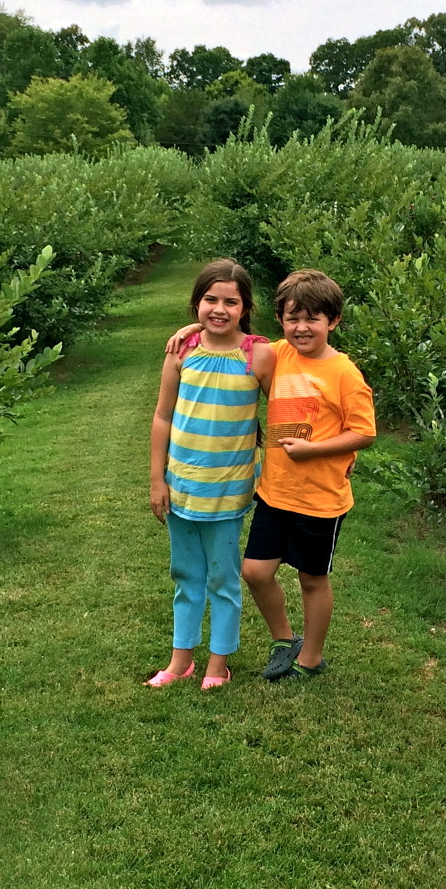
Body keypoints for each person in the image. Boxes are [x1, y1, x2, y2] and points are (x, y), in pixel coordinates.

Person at [167, 268, 376, 681]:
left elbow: (365, 433)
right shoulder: (276, 354)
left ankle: (311, 658)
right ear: (280, 319)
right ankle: (285, 638)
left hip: (320, 498)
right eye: (293, 318)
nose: (302, 327)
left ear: (333, 321)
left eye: (313, 319)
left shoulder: (344, 373)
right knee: (255, 572)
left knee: (312, 579)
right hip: (275, 492)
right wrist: (193, 326)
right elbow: (229, 336)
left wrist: (315, 450)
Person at [148, 259, 274, 689]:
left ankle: (218, 664)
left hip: (227, 490)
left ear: (245, 308)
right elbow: (163, 416)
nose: (219, 309)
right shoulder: (181, 351)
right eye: (210, 300)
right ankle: (180, 659)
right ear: (196, 303)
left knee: (223, 578)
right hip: (181, 485)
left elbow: (283, 408)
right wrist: (156, 479)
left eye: (231, 302)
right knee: (185, 575)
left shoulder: (257, 354)